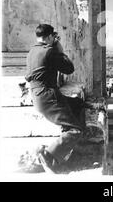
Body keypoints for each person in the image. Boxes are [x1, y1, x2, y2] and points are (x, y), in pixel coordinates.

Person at [25, 24, 84, 173]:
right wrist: (60, 49)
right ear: (50, 37)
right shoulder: (50, 51)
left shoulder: (32, 51)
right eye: (54, 37)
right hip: (48, 97)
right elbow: (69, 69)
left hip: (38, 96)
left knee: (77, 104)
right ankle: (48, 154)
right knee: (76, 130)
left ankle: (64, 148)